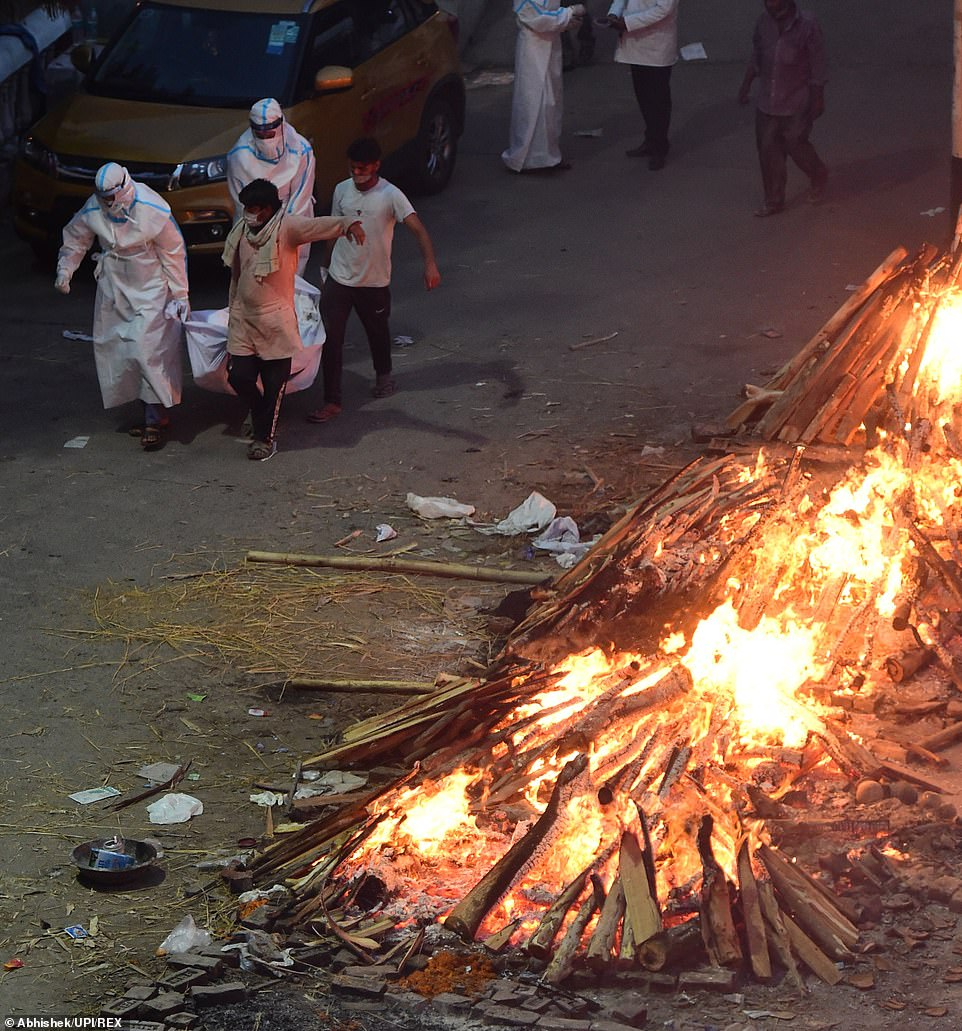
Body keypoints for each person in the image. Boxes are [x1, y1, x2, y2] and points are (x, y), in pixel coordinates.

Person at [223, 178, 364, 461]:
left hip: (275, 321)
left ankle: (265, 438)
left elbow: (318, 226)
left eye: (254, 208)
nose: (249, 213)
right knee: (238, 377)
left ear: (268, 208)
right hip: (243, 318)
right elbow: (236, 274)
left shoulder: (286, 228)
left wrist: (348, 224)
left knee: (274, 386)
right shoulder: (241, 230)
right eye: (246, 207)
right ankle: (259, 412)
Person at [54, 162, 190, 450]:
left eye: (110, 198)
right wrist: (65, 269)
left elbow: (173, 252)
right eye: (102, 198)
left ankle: (155, 417)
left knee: (146, 349)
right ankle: (149, 412)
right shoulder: (95, 207)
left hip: (150, 286)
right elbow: (77, 237)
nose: (106, 204)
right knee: (119, 350)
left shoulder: (152, 207)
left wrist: (180, 294)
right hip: (114, 286)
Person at [306, 138, 440, 425]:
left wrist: (429, 264)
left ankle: (384, 376)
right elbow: (334, 229)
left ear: (376, 165)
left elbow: (418, 230)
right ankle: (332, 400)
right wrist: (326, 266)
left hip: (374, 282)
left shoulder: (391, 195)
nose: (357, 174)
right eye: (353, 168)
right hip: (340, 279)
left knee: (377, 333)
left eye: (362, 168)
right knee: (330, 338)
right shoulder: (342, 190)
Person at [738, 0, 828, 217]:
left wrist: (817, 98)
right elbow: (757, 56)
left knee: (796, 145)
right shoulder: (763, 23)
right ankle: (774, 200)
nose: (770, 4)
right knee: (768, 151)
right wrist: (746, 85)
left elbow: (818, 64)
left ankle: (818, 174)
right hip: (767, 102)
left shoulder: (807, 25)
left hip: (796, 101)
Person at [226, 98, 317, 272]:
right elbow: (240, 203)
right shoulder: (238, 156)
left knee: (290, 277)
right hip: (253, 223)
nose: (266, 141)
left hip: (290, 217)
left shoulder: (301, 150)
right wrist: (260, 232)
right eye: (260, 136)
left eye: (270, 136)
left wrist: (282, 235)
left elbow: (300, 198)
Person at [501, 0, 586, 174]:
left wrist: (565, 23)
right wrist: (569, 13)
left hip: (550, 44)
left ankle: (549, 156)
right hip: (533, 49)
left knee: (551, 103)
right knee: (534, 104)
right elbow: (537, 18)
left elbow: (550, 15)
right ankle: (530, 159)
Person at [606, 0, 679, 171]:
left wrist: (627, 22)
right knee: (644, 97)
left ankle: (659, 147)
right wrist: (614, 13)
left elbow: (664, 9)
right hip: (635, 42)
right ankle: (651, 140)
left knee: (658, 101)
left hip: (656, 44)